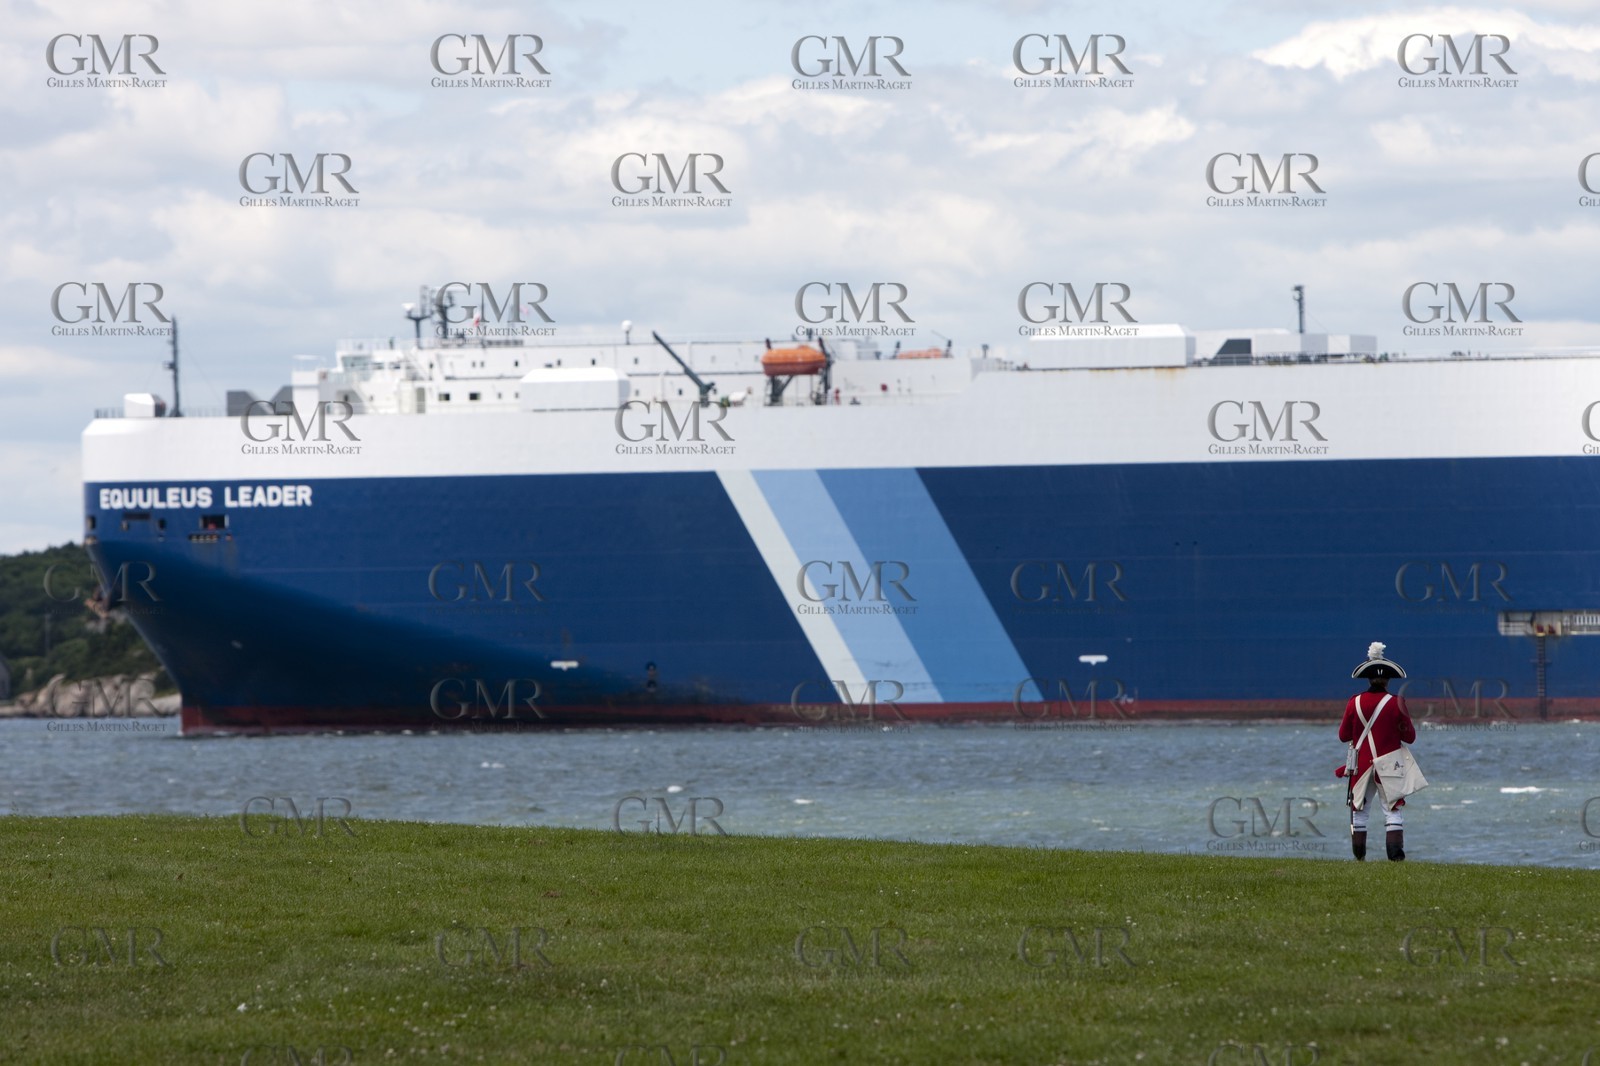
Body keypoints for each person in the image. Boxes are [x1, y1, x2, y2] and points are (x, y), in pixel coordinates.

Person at [1336, 642, 1417, 862]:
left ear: (1368, 679)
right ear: (1388, 680)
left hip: (1361, 764)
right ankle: (1395, 857)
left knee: (1359, 811)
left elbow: (1343, 736)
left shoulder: (1354, 703)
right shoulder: (1396, 703)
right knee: (1392, 811)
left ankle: (1359, 858)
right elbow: (1410, 736)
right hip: (1390, 764)